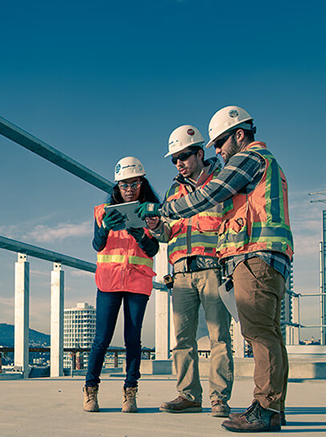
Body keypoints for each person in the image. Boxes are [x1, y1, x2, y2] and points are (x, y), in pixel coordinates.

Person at [137, 106, 293, 433]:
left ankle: (263, 409)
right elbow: (173, 228)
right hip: (244, 259)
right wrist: (157, 225)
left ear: (240, 134)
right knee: (267, 336)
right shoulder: (260, 164)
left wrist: (162, 208)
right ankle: (268, 407)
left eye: (220, 142)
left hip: (253, 256)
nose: (218, 150)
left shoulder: (247, 160)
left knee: (257, 336)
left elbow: (211, 195)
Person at [147, 125, 234, 417]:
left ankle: (219, 398)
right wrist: (157, 227)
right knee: (182, 340)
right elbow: (167, 233)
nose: (178, 163)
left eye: (183, 156)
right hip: (181, 272)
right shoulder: (173, 191)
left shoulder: (221, 182)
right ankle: (188, 395)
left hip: (213, 268)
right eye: (174, 159)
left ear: (200, 153)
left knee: (218, 336)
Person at [83, 156, 160, 414]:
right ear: (117, 186)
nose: (129, 189)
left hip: (138, 283)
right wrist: (105, 227)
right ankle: (90, 390)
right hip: (109, 282)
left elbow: (153, 248)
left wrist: (140, 232)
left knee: (133, 340)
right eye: (124, 184)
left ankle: (130, 393)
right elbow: (97, 245)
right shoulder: (102, 212)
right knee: (101, 339)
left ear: (142, 183)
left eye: (134, 183)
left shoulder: (151, 210)